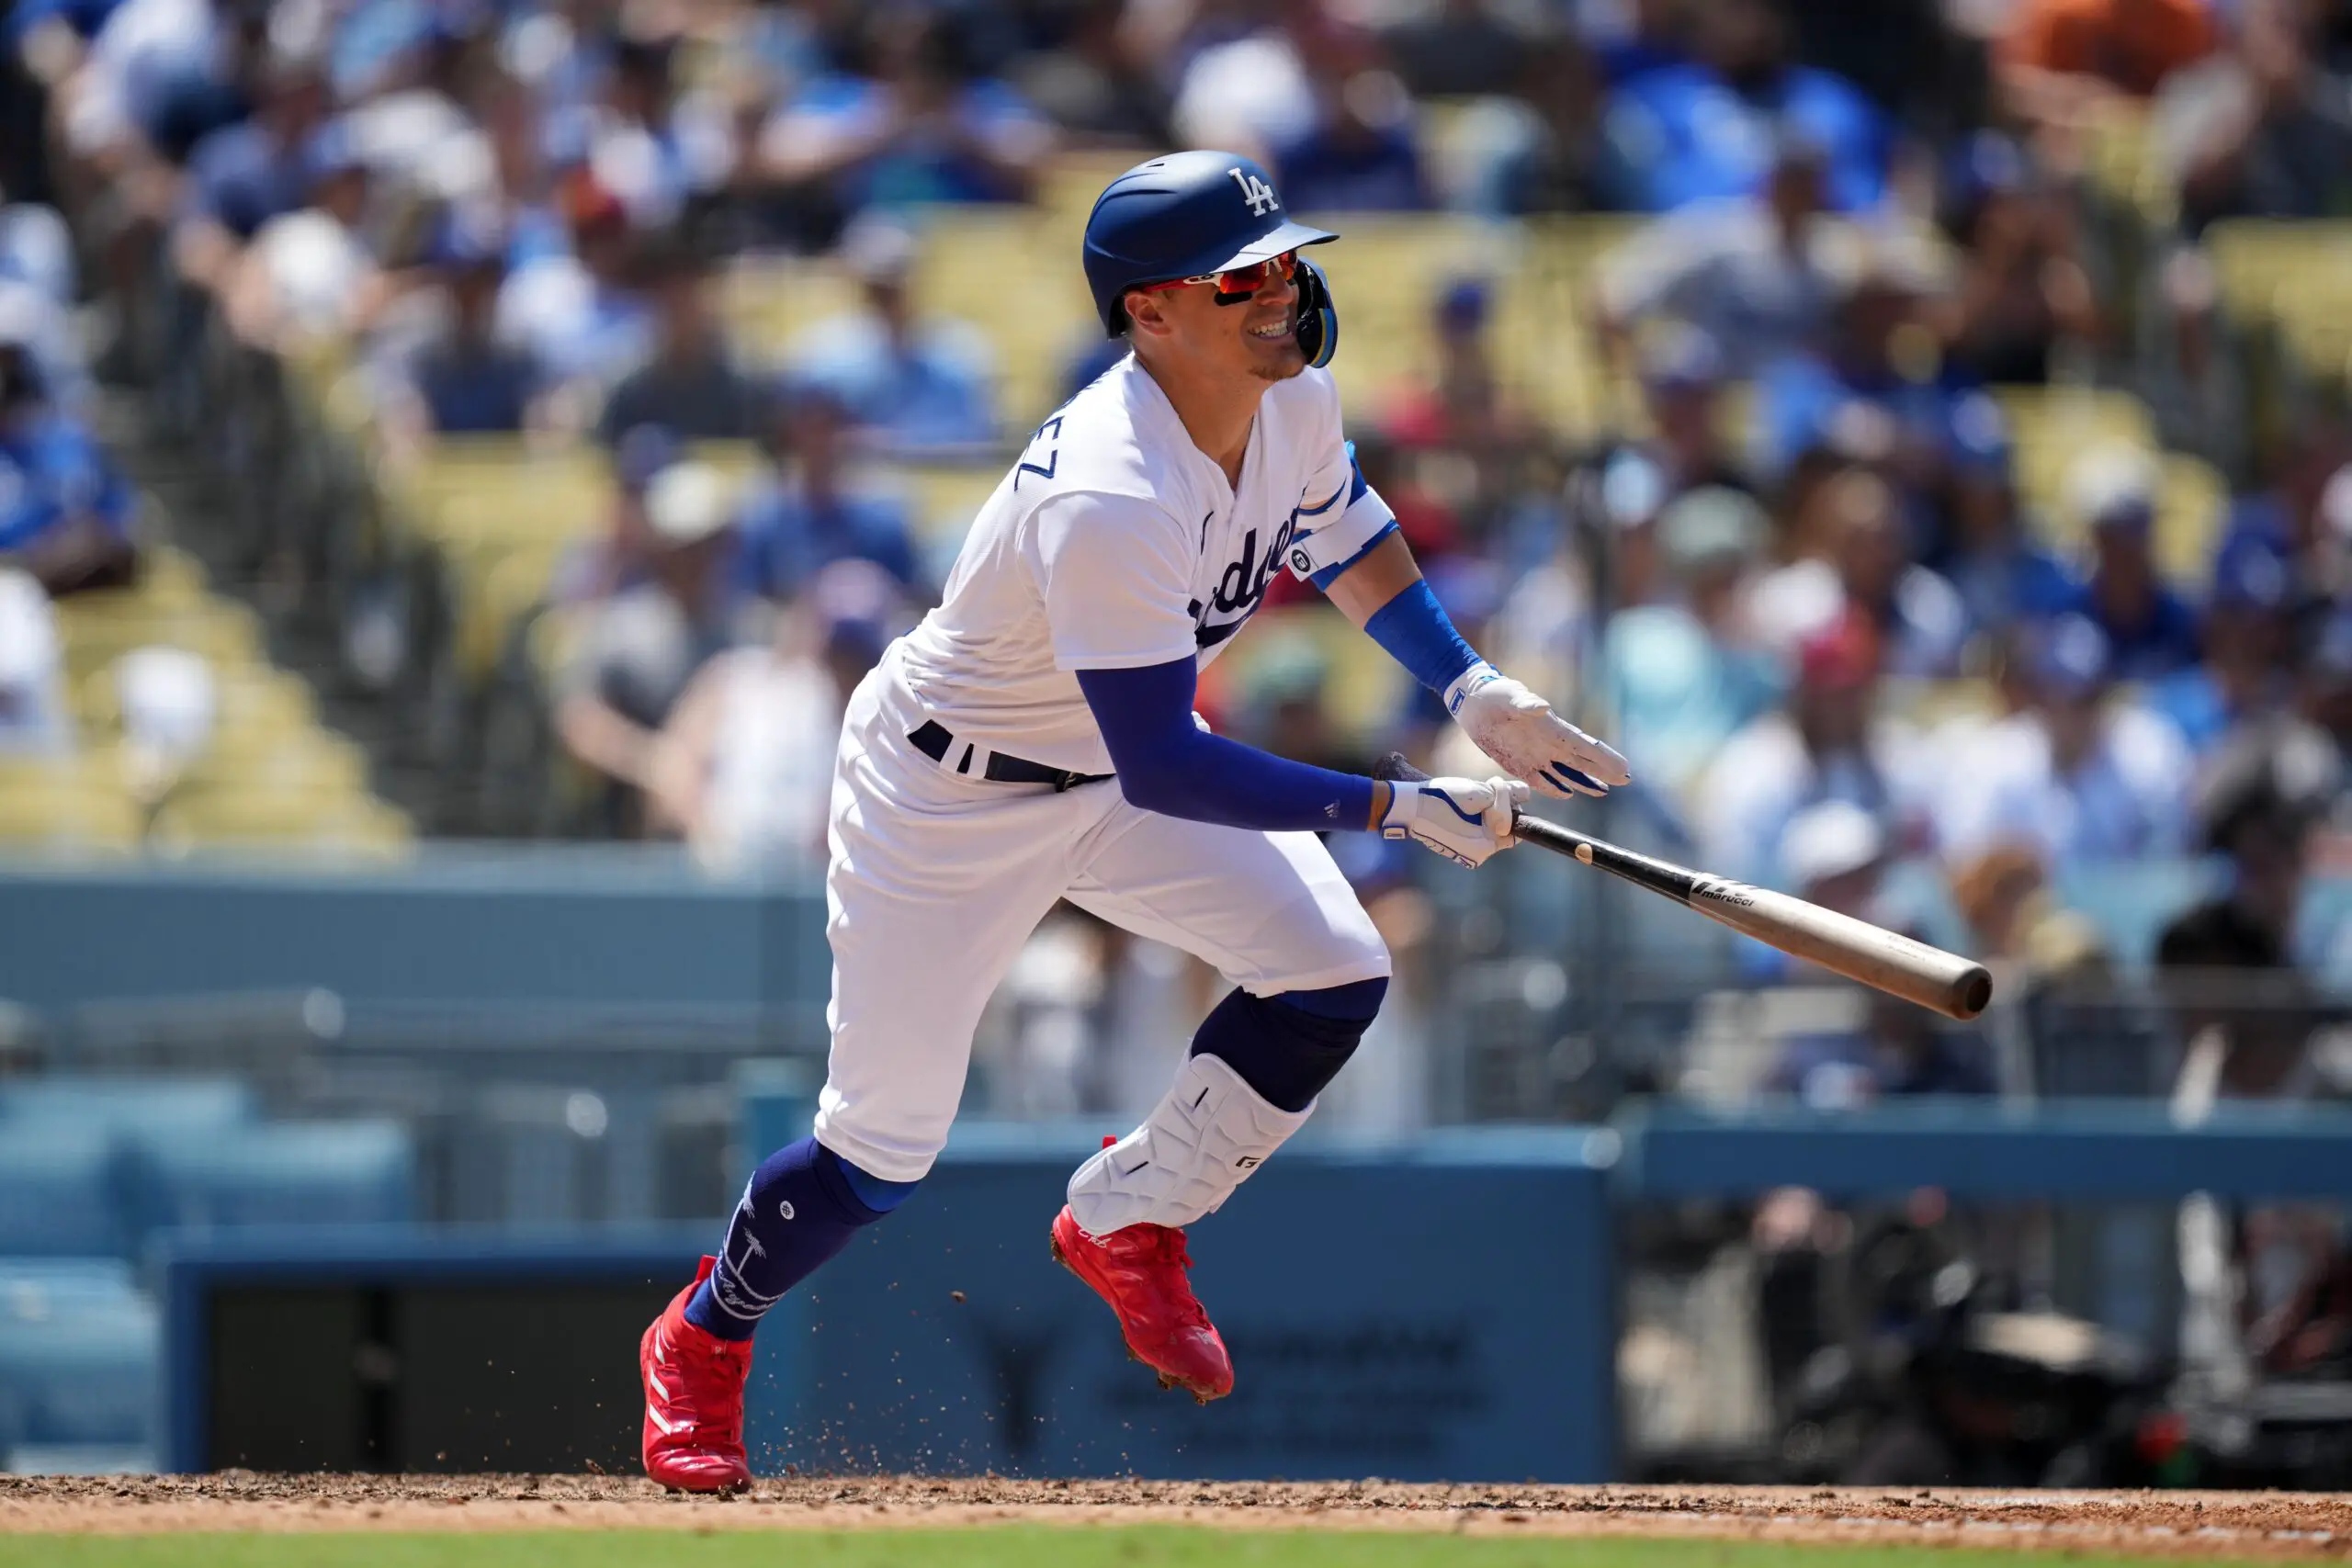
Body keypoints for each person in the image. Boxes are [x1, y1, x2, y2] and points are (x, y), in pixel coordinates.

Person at [636, 150, 1631, 1491]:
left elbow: (1345, 533)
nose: (1284, 290)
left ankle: (1132, 1212)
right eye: (1242, 279)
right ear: (1151, 313)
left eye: (1285, 261)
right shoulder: (1109, 488)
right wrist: (1397, 806)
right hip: (949, 788)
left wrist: (1473, 683)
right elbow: (1166, 762)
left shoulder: (1291, 396)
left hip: (1099, 770)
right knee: (881, 1148)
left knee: (1334, 971)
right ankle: (701, 1337)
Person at [553, 458, 751, 836]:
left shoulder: (753, 631)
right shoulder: (618, 629)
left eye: (707, 545)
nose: (695, 560)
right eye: (683, 546)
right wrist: (656, 764)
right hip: (634, 835)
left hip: (741, 829)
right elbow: (578, 722)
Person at [786, 215, 999, 453]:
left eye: (897, 280)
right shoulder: (820, 354)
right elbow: (805, 441)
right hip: (857, 482)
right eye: (877, 285)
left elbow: (975, 437)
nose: (887, 294)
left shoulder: (961, 350)